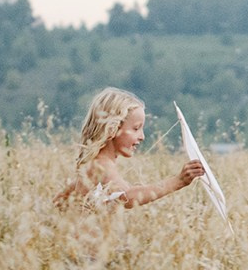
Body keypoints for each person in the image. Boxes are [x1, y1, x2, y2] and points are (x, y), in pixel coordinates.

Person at [56, 87, 207, 211]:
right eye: (136, 129)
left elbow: (59, 201)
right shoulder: (102, 165)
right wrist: (178, 181)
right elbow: (127, 197)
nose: (142, 137)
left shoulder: (95, 164)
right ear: (112, 128)